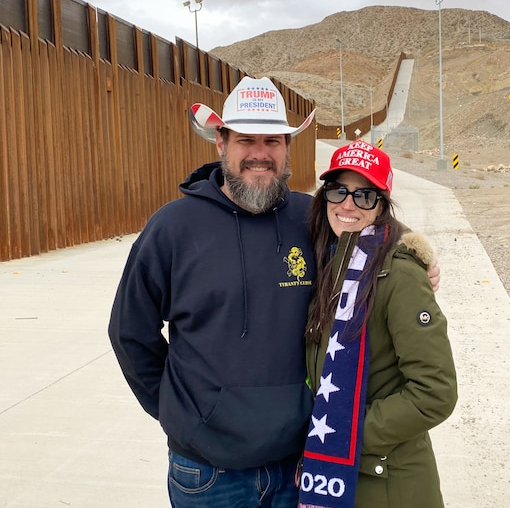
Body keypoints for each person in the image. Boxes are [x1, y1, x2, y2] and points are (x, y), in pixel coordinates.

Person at [108, 76, 439, 508]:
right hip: (209, 474)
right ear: (220, 143)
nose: (260, 154)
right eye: (246, 140)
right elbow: (130, 334)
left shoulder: (312, 217)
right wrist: (181, 414)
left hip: (299, 464)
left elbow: (368, 224)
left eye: (273, 141)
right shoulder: (172, 228)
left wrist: (414, 250)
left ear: (287, 149)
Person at [299, 141, 458, 508]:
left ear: (382, 204)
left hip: (388, 481)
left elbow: (435, 392)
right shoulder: (331, 262)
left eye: (365, 195)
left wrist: (346, 432)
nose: (348, 204)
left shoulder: (400, 273)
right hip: (338, 474)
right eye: (339, 191)